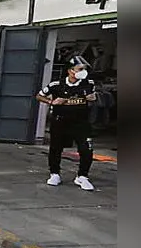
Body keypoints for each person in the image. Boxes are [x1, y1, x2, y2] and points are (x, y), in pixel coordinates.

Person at [36, 55, 97, 191]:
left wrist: (92, 98)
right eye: (80, 69)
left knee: (86, 149)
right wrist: (51, 102)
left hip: (81, 122)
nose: (83, 71)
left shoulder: (89, 84)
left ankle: (82, 176)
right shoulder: (56, 85)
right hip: (60, 121)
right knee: (56, 148)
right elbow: (39, 95)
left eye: (84, 69)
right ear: (70, 70)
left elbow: (92, 98)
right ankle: (54, 173)